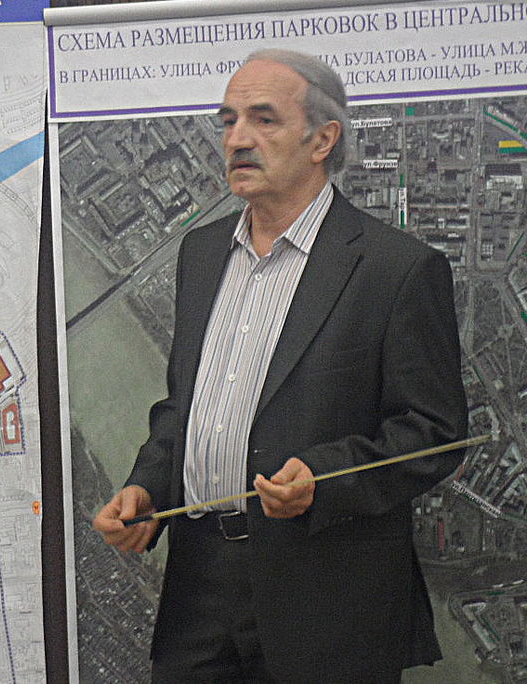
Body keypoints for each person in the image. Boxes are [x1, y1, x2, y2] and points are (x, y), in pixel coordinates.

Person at [93, 48, 468, 683]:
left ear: (323, 140)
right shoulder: (201, 253)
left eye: (263, 119)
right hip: (197, 588)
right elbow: (186, 405)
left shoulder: (397, 269)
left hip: (327, 598)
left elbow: (435, 433)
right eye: (228, 120)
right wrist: (148, 486)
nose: (237, 139)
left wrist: (324, 478)